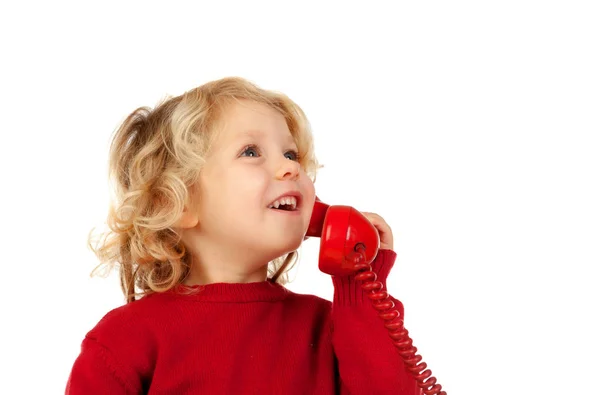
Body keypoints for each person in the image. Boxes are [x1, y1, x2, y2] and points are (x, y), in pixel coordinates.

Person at [65, 76, 420, 394]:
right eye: (251, 152)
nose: (291, 167)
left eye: (291, 153)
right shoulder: (125, 340)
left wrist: (361, 282)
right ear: (178, 202)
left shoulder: (331, 329)